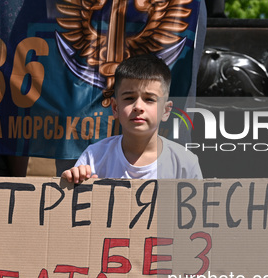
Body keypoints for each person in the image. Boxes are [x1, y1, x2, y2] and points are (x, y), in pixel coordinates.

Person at [62, 55, 202, 183]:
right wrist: (73, 182)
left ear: (165, 111)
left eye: (149, 99)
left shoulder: (185, 163)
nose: (138, 107)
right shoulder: (94, 157)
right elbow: (72, 206)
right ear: (115, 108)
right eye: (129, 98)